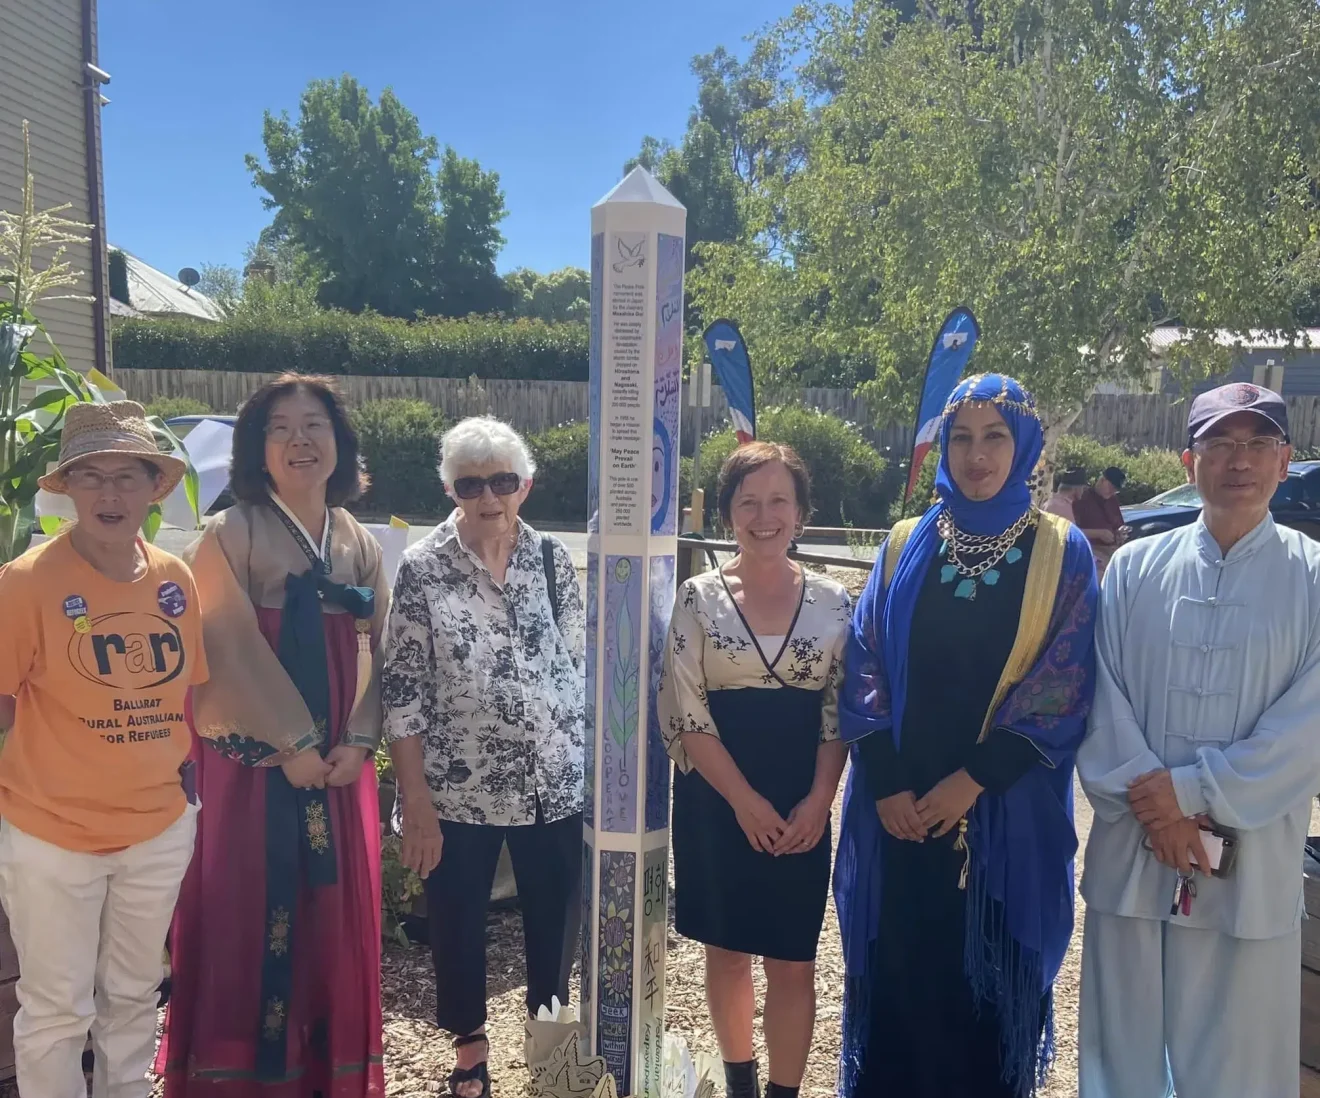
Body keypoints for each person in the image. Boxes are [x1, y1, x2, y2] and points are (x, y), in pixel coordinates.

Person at [834, 374, 1098, 1098]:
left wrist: (971, 781)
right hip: (900, 820)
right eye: (962, 437)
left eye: (995, 437)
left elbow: (1062, 683)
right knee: (899, 999)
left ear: (1026, 447)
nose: (977, 455)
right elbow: (865, 666)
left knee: (983, 1013)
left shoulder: (1062, 554)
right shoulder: (901, 546)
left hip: (999, 822)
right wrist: (887, 783)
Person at [1076, 382, 1320, 1098]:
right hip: (1136, 856)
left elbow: (1308, 725)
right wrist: (1160, 808)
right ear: (1189, 461)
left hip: (1249, 875)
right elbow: (1100, 698)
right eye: (1218, 444)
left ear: (1285, 461)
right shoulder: (1133, 569)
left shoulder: (1313, 579)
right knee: (1124, 1060)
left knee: (1238, 1068)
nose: (1236, 461)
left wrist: (1191, 791)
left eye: (1256, 445)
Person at [155, 375, 389, 1096]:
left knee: (331, 914)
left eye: (315, 425)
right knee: (247, 906)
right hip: (256, 768)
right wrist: (290, 745)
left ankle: (326, 1071)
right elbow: (223, 644)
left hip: (340, 768)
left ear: (338, 443)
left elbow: (382, 647)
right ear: (256, 447)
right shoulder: (231, 533)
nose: (299, 441)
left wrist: (359, 740)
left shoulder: (357, 541)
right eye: (280, 427)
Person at [0, 401, 205, 1098]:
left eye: (128, 476)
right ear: (69, 489)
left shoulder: (176, 579)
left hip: (155, 831)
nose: (110, 495)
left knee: (134, 997)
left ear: (155, 488)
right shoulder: (26, 583)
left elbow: (190, 697)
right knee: (57, 1010)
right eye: (92, 477)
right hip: (51, 837)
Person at [382, 416, 585, 1098]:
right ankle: (469, 1047)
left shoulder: (553, 561)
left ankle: (547, 1040)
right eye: (471, 484)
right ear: (451, 489)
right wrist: (416, 804)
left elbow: (577, 667)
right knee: (457, 917)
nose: (488, 496)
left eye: (502, 481)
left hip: (551, 781)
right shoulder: (423, 568)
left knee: (555, 917)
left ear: (525, 484)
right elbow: (402, 695)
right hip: (457, 785)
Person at [659, 442, 851, 1098]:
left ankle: (784, 1092)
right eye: (749, 502)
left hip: (802, 799)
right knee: (729, 950)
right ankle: (740, 1082)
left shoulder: (835, 604)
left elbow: (837, 713)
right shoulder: (699, 598)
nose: (764, 516)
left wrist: (821, 800)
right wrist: (742, 801)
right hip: (718, 800)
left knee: (794, 960)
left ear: (801, 512)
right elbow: (686, 712)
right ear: (726, 513)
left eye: (779, 501)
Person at [1072, 466, 1129, 575]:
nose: (1112, 492)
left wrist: (1120, 534)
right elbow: (1072, 531)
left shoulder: (1112, 501)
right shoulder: (1082, 498)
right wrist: (1098, 534)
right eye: (1111, 488)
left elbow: (1118, 526)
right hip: (1091, 549)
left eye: (1116, 490)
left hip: (1113, 549)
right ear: (1102, 480)